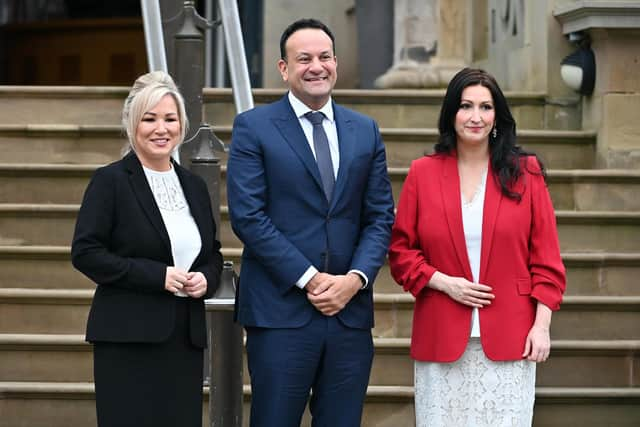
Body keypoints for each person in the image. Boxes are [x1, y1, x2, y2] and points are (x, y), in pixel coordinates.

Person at [226, 18, 395, 427]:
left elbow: (379, 216)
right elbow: (248, 216)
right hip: (281, 312)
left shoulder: (365, 131)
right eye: (303, 59)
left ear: (336, 62)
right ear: (283, 69)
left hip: (348, 315)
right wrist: (311, 279)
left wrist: (354, 279)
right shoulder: (254, 127)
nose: (315, 66)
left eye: (324, 57)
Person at [388, 68, 567, 427]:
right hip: (440, 335)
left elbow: (547, 261)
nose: (475, 117)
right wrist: (442, 281)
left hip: (511, 334)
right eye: (466, 106)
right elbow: (401, 253)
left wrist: (541, 326)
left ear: (497, 116)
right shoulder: (423, 173)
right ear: (451, 114)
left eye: (485, 107)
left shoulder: (526, 173)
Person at [71, 71, 223, 427]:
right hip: (127, 338)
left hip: (184, 341)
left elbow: (212, 252)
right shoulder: (109, 181)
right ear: (132, 124)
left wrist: (206, 278)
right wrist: (158, 276)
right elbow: (86, 252)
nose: (161, 128)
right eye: (149, 118)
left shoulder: (194, 187)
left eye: (170, 119)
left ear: (182, 125)